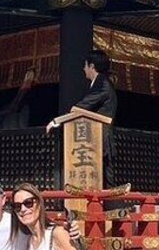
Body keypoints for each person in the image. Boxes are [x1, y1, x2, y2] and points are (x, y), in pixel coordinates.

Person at [46, 50, 118, 187]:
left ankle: (114, 207)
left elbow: (80, 108)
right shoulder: (100, 83)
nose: (83, 69)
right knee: (104, 182)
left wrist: (57, 121)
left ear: (92, 66)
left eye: (85, 65)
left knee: (107, 182)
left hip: (100, 139)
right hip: (95, 140)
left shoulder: (103, 85)